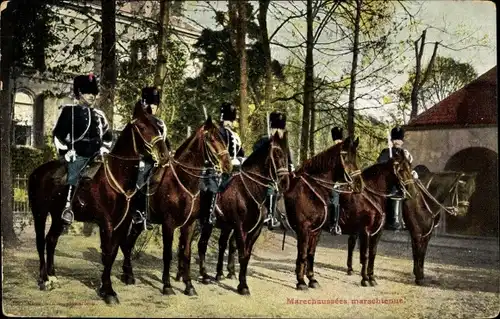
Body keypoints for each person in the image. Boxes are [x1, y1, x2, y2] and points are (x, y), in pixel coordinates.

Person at [53, 72, 113, 225]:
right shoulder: (69, 111)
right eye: (88, 92)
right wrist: (66, 152)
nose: (92, 95)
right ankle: (68, 207)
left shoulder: (100, 115)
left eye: (94, 92)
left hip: (97, 156)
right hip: (78, 154)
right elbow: (58, 135)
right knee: (74, 172)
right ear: (79, 93)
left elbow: (108, 137)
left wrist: (104, 150)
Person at [130, 86, 171, 230]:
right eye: (149, 103)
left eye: (155, 104)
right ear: (143, 104)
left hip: (158, 162)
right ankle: (137, 212)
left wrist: (169, 154)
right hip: (141, 159)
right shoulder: (137, 122)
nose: (152, 107)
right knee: (142, 178)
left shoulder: (160, 124)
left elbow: (165, 144)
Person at [203, 102, 246, 224]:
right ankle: (210, 213)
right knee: (213, 188)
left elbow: (241, 153)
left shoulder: (235, 135)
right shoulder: (219, 133)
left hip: (234, 169)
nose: (230, 123)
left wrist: (240, 161)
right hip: (219, 168)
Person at [252, 111, 294, 230]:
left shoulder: (284, 144)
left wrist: (291, 169)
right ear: (271, 128)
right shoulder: (264, 140)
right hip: (263, 174)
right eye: (276, 128)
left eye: (280, 128)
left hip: (280, 174)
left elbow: (289, 160)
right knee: (271, 185)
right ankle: (270, 215)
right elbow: (255, 155)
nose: (278, 131)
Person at [376, 126, 415, 231]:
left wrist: (412, 172)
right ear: (392, 140)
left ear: (402, 141)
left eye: (399, 139)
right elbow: (380, 165)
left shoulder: (405, 153)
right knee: (394, 190)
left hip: (402, 181)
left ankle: (408, 220)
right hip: (387, 181)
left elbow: (408, 167)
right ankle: (393, 220)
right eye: (395, 139)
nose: (397, 141)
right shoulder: (385, 152)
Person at [329, 127, 343, 235]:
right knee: (335, 198)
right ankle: (335, 224)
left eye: (339, 140)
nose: (337, 142)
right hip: (332, 182)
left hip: (345, 181)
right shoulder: (330, 153)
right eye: (336, 140)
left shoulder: (345, 152)